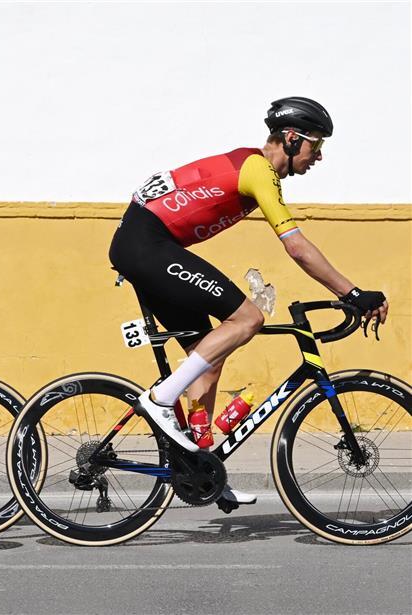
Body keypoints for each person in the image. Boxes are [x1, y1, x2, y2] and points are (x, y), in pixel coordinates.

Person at [109, 97, 388, 506]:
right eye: (316, 145)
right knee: (248, 319)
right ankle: (161, 399)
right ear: (291, 139)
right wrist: (352, 293)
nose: (319, 156)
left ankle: (201, 470)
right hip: (146, 245)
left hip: (146, 244)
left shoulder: (248, 164)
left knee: (207, 358)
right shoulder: (258, 170)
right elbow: (296, 248)